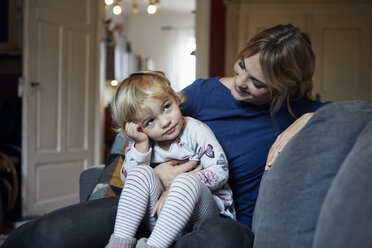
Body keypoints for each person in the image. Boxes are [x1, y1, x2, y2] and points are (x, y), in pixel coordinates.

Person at [2, 24, 328, 248]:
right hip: (149, 201)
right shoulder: (201, 92)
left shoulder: (294, 110)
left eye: (257, 83)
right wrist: (138, 177)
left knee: (223, 242)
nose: (241, 81)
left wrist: (308, 118)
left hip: (214, 214)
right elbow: (140, 119)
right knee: (51, 232)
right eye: (241, 66)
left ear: (286, 86)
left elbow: (356, 111)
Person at [105, 71, 234, 248]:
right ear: (137, 128)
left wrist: (173, 189)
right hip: (160, 219)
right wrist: (141, 145)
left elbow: (220, 172)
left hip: (203, 214)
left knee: (185, 181)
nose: (165, 122)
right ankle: (119, 244)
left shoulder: (195, 130)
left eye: (166, 107)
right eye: (150, 121)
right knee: (140, 173)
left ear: (175, 98)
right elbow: (130, 184)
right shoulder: (141, 142)